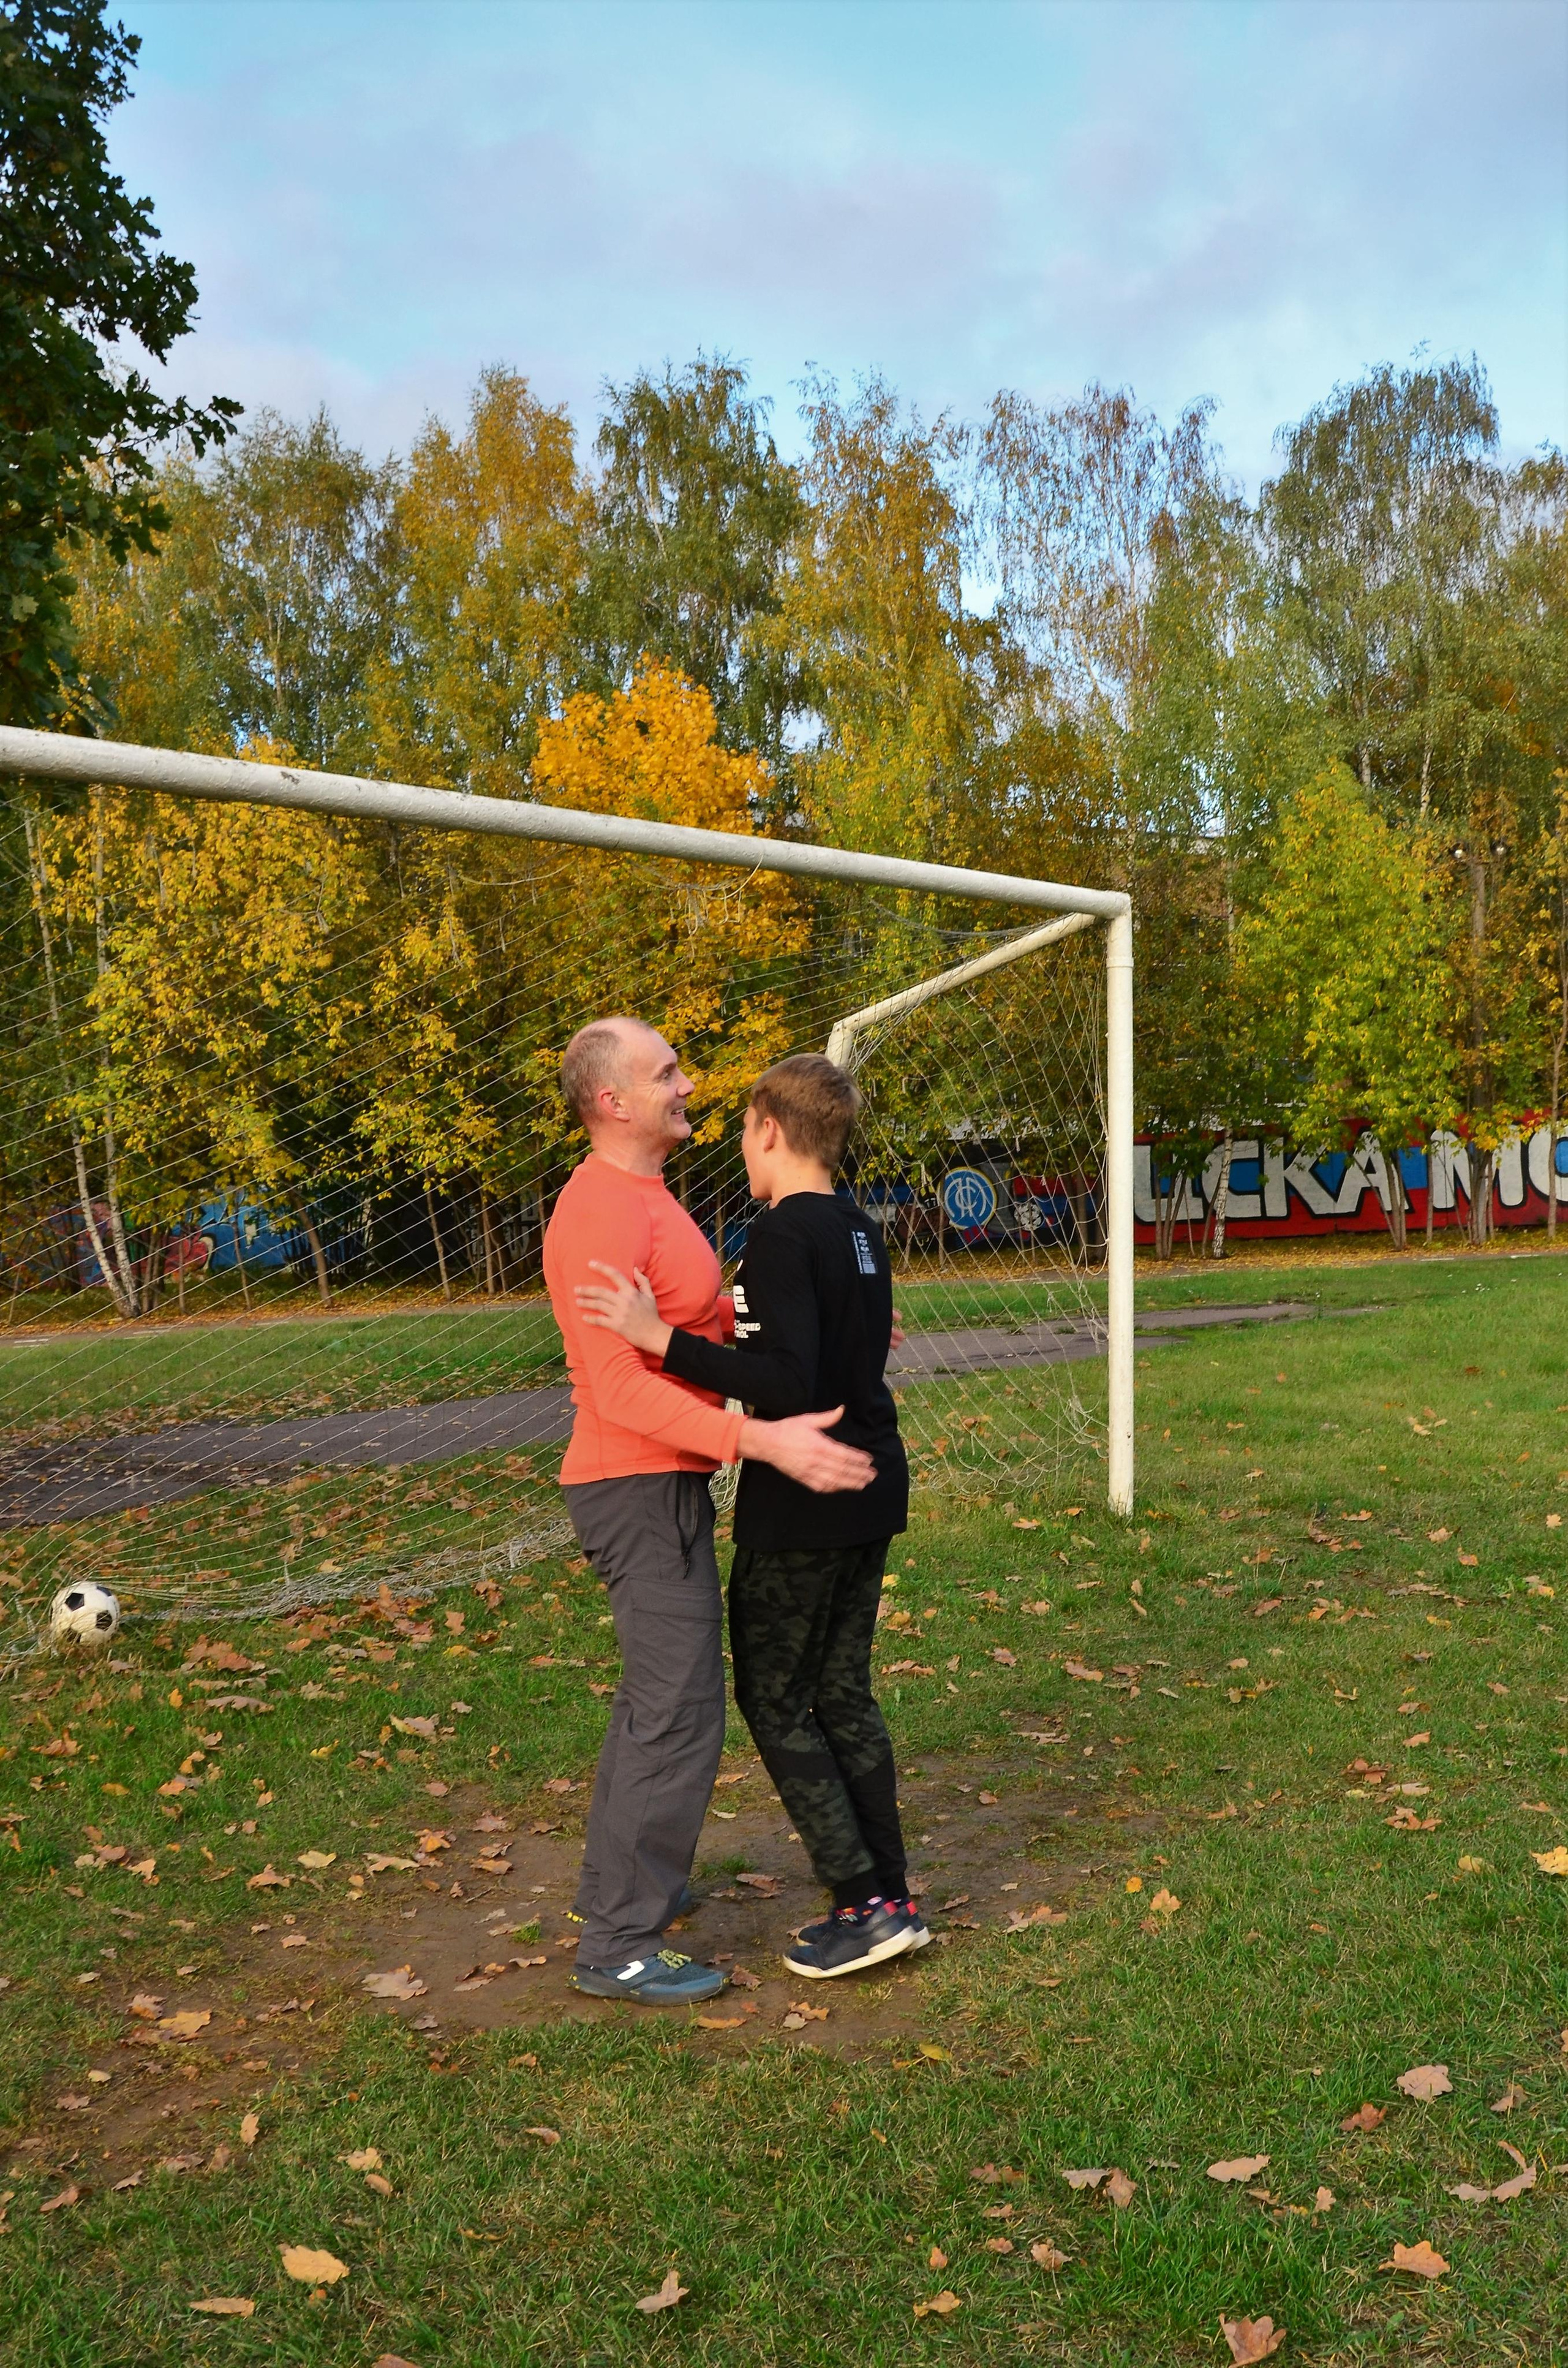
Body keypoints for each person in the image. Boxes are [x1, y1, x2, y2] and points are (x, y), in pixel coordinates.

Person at [544, 1016, 875, 2007]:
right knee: (679, 1713)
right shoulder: (598, 1211)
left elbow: (704, 1322)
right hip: (631, 1483)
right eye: (666, 1073)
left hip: (666, 1480)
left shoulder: (650, 1196)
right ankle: (617, 1944)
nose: (688, 1084)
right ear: (612, 1101)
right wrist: (763, 1440)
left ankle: (626, 1891)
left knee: (659, 1704)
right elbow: (617, 1389)